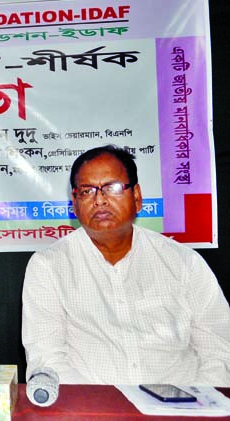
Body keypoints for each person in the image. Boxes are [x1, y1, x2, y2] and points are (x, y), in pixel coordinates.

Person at [22, 145, 230, 386]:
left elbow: (219, 348)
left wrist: (194, 404)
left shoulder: (183, 262)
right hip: (93, 411)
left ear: (137, 197)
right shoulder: (49, 266)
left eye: (112, 188)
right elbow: (47, 362)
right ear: (75, 204)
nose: (99, 200)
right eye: (87, 191)